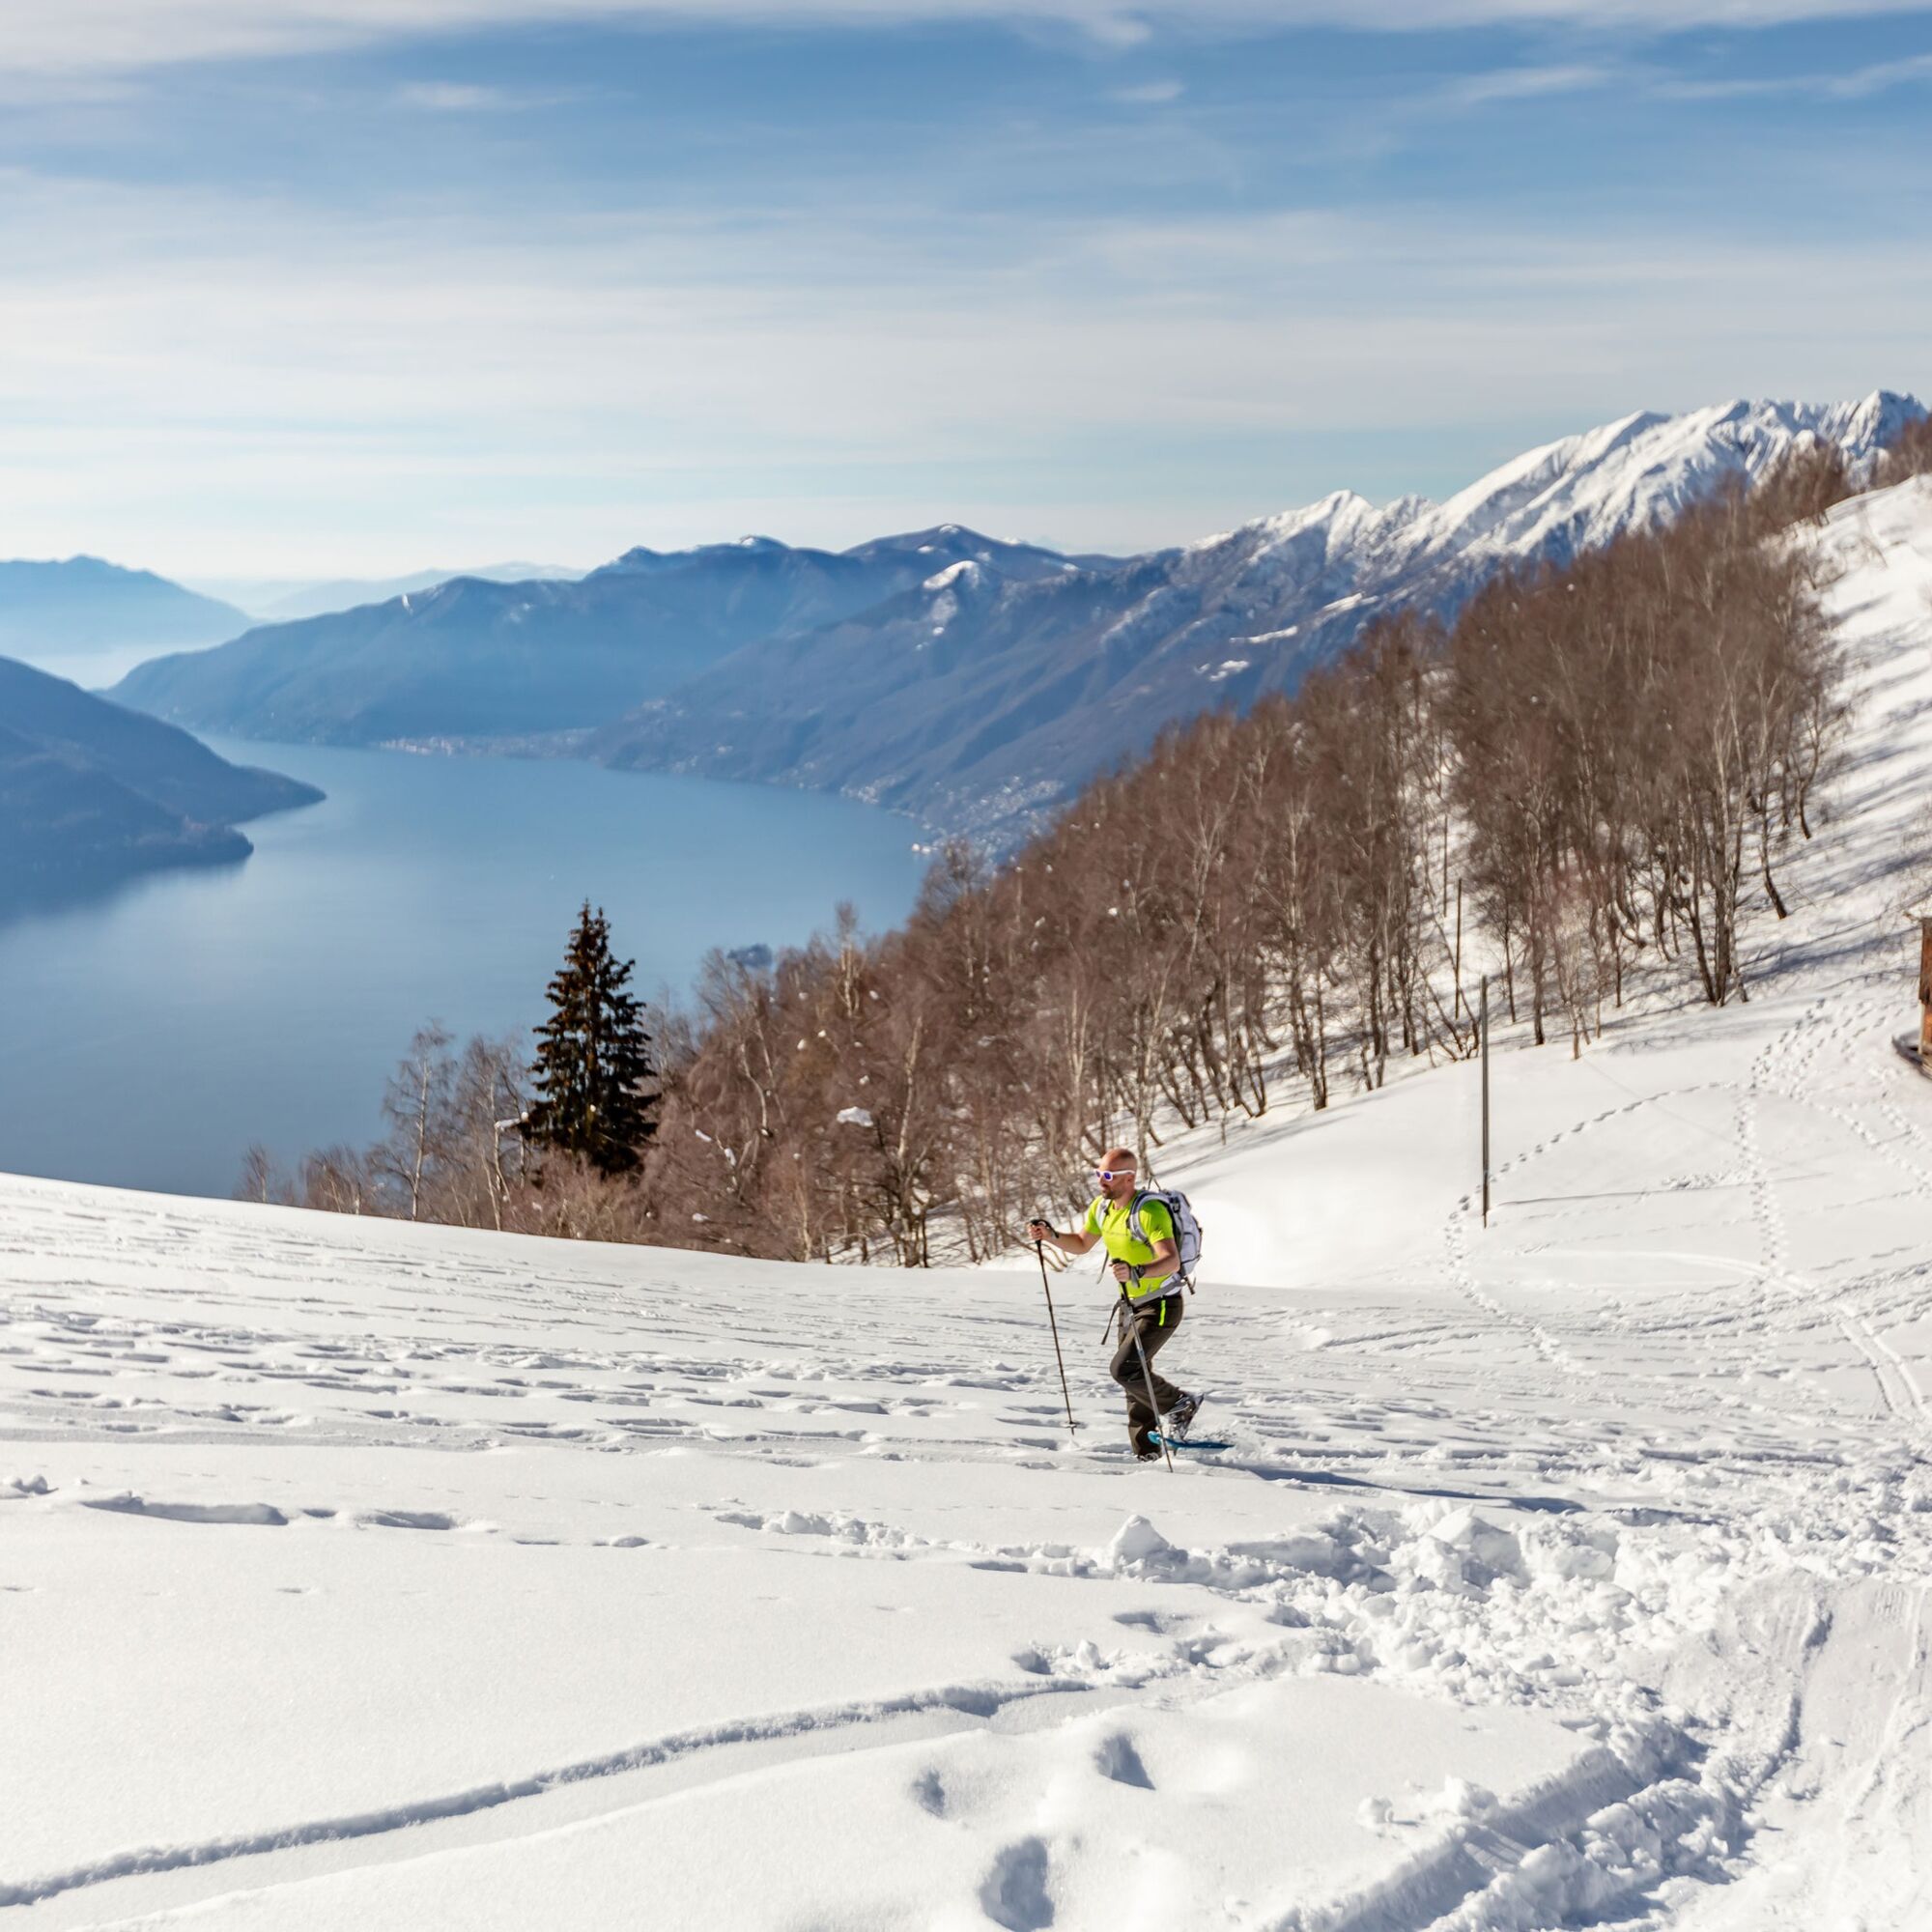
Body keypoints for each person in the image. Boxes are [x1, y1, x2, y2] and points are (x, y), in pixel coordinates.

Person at [1028, 1150, 1201, 1461]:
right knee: (1136, 1380)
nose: (1101, 1181)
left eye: (1107, 1176)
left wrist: (1137, 1271)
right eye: (1098, 1174)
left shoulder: (1149, 1211)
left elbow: (1171, 1260)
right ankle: (1146, 1452)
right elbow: (1082, 1243)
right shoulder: (1102, 1207)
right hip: (1130, 1305)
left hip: (1161, 1305)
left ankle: (1181, 1405)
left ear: (1129, 1178)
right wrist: (1051, 1236)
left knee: (1125, 1369)